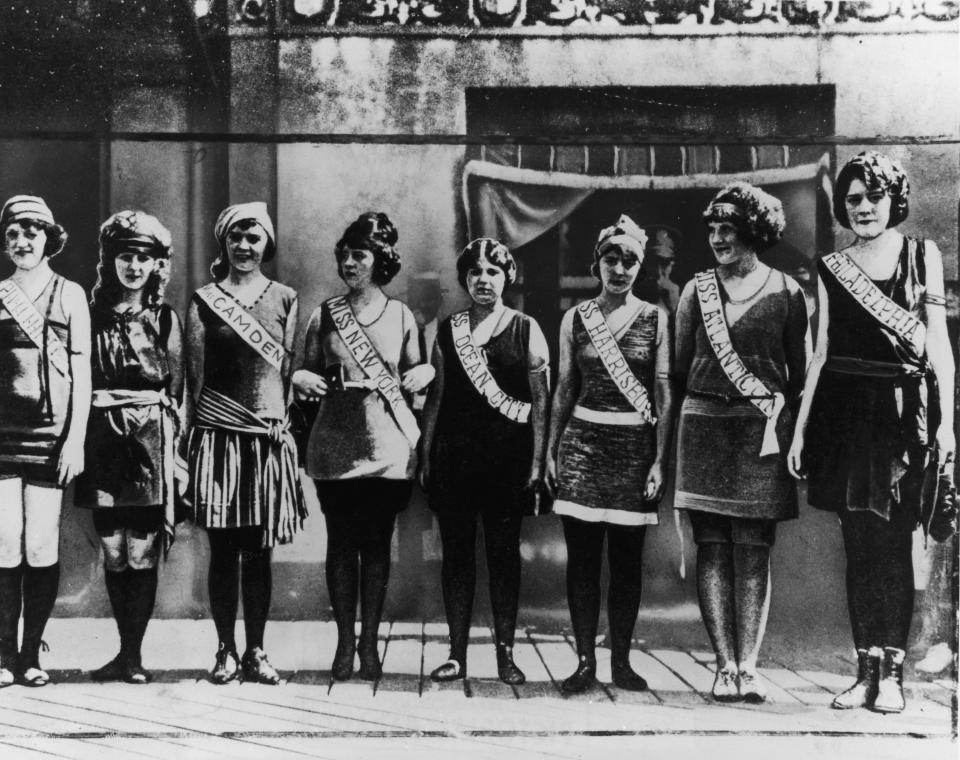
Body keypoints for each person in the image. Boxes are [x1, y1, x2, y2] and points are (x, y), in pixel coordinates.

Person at [788, 152, 955, 714]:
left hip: (904, 414)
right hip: (844, 414)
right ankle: (864, 671)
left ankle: (894, 675)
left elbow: (937, 345)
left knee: (895, 547)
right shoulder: (832, 266)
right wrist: (801, 428)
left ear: (894, 200)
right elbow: (821, 352)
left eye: (874, 197)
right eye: (853, 198)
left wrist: (948, 425)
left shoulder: (921, 255)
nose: (863, 207)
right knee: (858, 549)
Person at [674, 183, 809, 703]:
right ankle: (722, 665)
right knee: (712, 547)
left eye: (727, 228)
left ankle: (748, 666)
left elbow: (799, 373)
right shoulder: (696, 291)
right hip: (705, 424)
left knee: (753, 552)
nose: (717, 238)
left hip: (762, 432)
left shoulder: (787, 293)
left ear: (754, 231)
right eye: (711, 229)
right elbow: (682, 367)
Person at [293, 212, 433, 681]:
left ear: (380, 261)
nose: (350, 263)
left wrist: (425, 373)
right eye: (344, 255)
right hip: (335, 443)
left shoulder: (400, 316)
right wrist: (302, 378)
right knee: (339, 545)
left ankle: (370, 645)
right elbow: (303, 373)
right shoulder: (324, 314)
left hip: (387, 446)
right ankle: (344, 645)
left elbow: (417, 377)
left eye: (360, 255)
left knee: (375, 547)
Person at [545, 214, 675, 693]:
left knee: (625, 564)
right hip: (582, 446)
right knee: (581, 562)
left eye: (630, 261)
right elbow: (563, 389)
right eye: (611, 258)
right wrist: (550, 454)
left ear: (640, 267)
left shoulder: (656, 318)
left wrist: (661, 460)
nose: (619, 269)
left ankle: (620, 661)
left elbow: (662, 394)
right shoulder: (574, 318)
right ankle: (584, 663)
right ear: (596, 262)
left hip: (634, 453)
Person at [418, 238, 550, 684]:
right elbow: (435, 398)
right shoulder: (447, 329)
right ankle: (457, 653)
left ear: (506, 278)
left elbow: (540, 402)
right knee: (457, 556)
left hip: (506, 462)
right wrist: (426, 452)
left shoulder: (526, 328)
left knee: (503, 557)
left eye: (493, 272)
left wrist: (537, 463)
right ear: (464, 279)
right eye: (474, 272)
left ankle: (506, 655)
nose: (483, 280)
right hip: (455, 458)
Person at [186, 202, 306, 685]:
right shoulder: (202, 300)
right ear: (223, 241)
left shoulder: (286, 298)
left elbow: (289, 374)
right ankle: (224, 651)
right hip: (217, 437)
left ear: (267, 245)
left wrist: (281, 421)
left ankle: (256, 650)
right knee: (222, 551)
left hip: (264, 441)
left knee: (259, 551)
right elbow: (193, 379)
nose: (244, 246)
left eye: (253, 238)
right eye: (235, 236)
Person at [74, 211, 184, 684]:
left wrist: (174, 453)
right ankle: (121, 653)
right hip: (101, 436)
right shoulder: (91, 315)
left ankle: (135, 656)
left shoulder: (164, 318)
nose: (134, 266)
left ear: (155, 264)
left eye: (143, 258)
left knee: (141, 549)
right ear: (111, 261)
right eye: (125, 256)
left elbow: (177, 391)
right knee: (113, 549)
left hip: (149, 438)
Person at [0, 195, 91, 687]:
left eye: (32, 231)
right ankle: (3, 655)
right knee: (2, 544)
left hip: (51, 438)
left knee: (39, 544)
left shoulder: (70, 294)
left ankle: (31, 655)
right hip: (1, 439)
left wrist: (75, 440)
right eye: (13, 232)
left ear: (49, 238)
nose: (22, 241)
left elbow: (82, 372)